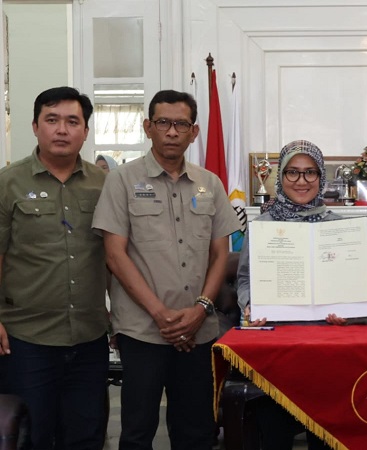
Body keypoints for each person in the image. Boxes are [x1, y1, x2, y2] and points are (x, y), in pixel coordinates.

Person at [92, 89, 240, 450]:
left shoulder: (210, 183)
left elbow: (221, 253)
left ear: (195, 131)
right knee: (138, 431)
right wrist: (162, 316)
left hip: (199, 330)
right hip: (143, 331)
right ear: (148, 127)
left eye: (181, 124)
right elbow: (115, 255)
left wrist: (199, 310)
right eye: (163, 123)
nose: (172, 131)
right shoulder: (122, 181)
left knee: (197, 432)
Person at [0, 86, 108, 449]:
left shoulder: (104, 184)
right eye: (52, 120)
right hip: (27, 338)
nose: (62, 129)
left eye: (72, 121)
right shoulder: (8, 182)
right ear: (35, 126)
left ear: (86, 132)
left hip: (90, 337)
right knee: (32, 435)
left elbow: (118, 256)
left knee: (87, 435)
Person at [237, 139, 349, 449]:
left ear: (321, 178)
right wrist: (249, 305)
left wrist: (349, 309)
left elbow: (352, 282)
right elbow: (245, 279)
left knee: (326, 434)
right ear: (280, 177)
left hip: (327, 348)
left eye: (310, 173)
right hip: (277, 348)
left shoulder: (337, 228)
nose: (302, 181)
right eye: (293, 173)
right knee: (275, 433)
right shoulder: (263, 226)